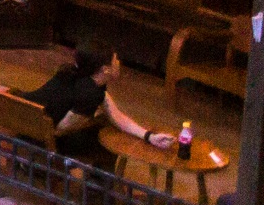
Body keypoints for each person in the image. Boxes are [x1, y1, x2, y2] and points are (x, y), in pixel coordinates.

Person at [21, 47, 165, 164]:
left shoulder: (73, 74)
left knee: (103, 121)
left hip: (23, 123)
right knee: (106, 137)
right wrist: (90, 120)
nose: (119, 63)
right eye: (116, 60)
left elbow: (115, 114)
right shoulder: (90, 93)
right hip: (41, 139)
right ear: (105, 69)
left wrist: (148, 136)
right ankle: (97, 189)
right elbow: (60, 130)